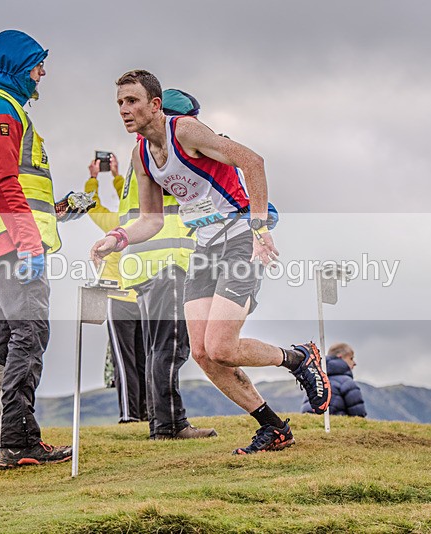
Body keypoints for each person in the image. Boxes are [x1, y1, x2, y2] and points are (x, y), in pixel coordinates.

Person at [91, 70, 331, 455]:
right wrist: (116, 238)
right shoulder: (141, 153)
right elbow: (151, 220)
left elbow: (253, 161)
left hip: (239, 238)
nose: (124, 109)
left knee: (221, 346)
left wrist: (258, 227)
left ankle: (298, 357)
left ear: (155, 104)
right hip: (203, 246)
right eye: (119, 102)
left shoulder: (185, 131)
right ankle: (273, 428)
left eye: (132, 101)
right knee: (202, 352)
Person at [0, 30, 75, 468]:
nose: (42, 72)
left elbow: (15, 184)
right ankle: (18, 441)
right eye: (37, 63)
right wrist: (29, 242)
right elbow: (3, 181)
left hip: (1, 239)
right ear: (16, 64)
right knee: (29, 334)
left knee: (3, 337)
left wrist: (57, 211)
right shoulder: (1, 108)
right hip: (14, 243)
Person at [113, 88, 217, 440]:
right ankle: (169, 426)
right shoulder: (164, 154)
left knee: (160, 347)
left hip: (146, 264)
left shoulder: (142, 154)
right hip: (166, 263)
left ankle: (163, 423)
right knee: (171, 347)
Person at [84, 154, 148, 424]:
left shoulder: (115, 226)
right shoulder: (147, 226)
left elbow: (92, 206)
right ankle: (147, 412)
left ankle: (129, 414)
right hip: (144, 296)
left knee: (125, 361)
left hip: (118, 297)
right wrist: (119, 177)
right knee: (146, 358)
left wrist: (93, 178)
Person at [302, 343, 366, 417]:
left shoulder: (315, 381)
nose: (354, 363)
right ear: (340, 357)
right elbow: (358, 417)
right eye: (351, 358)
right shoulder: (347, 383)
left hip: (311, 425)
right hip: (337, 426)